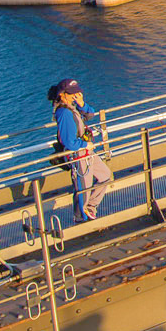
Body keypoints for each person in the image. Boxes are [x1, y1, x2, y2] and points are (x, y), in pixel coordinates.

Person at [50, 79, 113, 224]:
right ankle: (80, 217)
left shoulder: (72, 107)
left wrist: (82, 103)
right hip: (78, 153)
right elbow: (69, 141)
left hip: (86, 151)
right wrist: (85, 144)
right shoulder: (64, 113)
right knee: (83, 186)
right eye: (72, 94)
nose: (75, 95)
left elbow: (90, 114)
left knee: (105, 175)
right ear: (62, 94)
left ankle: (90, 207)